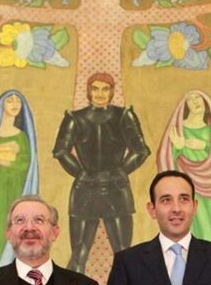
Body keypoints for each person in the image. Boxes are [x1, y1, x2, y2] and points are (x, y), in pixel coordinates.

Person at [53, 72, 150, 273]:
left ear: (112, 91)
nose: (100, 93)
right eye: (95, 88)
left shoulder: (124, 116)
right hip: (85, 189)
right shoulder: (75, 118)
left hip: (116, 188)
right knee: (78, 255)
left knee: (124, 255)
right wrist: (81, 173)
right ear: (89, 91)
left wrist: (120, 171)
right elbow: (61, 150)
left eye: (105, 89)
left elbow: (141, 150)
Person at [156, 90, 211, 245]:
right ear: (186, 106)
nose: (196, 102)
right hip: (188, 185)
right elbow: (166, 156)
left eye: (199, 99)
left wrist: (204, 145)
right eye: (191, 99)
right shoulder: (179, 129)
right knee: (197, 222)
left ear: (206, 104)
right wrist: (178, 147)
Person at [0, 90, 39, 268]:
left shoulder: (21, 136)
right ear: (2, 105)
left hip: (14, 190)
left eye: (18, 102)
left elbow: (24, 165)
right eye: (10, 101)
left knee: (9, 231)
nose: (15, 105)